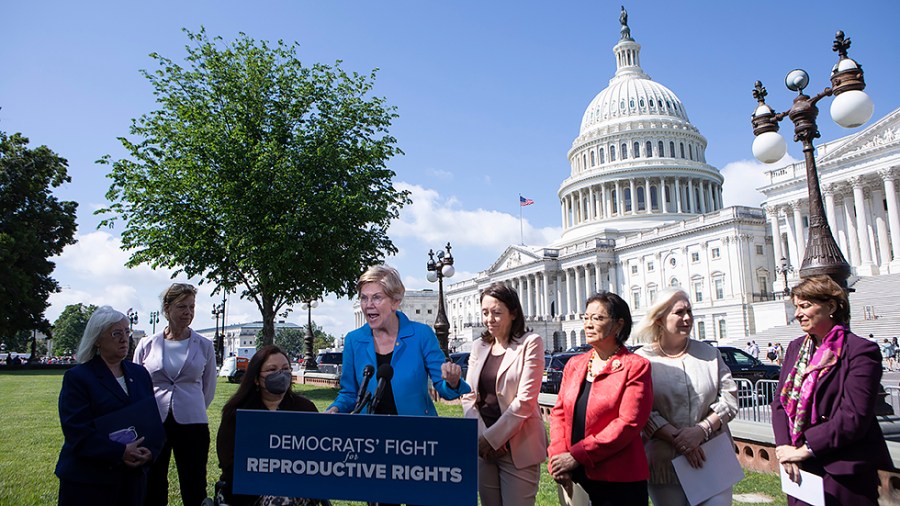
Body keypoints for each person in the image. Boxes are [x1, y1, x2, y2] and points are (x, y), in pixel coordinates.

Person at [772, 275, 891, 505]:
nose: (797, 314)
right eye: (796, 307)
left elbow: (853, 416)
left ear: (831, 306)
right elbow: (780, 403)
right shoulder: (796, 348)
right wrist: (785, 449)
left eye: (805, 306)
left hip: (843, 472)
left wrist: (806, 449)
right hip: (798, 469)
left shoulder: (860, 351)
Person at [634, 288, 738, 506]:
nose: (687, 318)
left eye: (689, 311)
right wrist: (681, 440)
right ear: (660, 319)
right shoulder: (642, 360)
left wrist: (702, 430)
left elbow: (729, 398)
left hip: (712, 457)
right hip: (664, 463)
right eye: (679, 312)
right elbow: (641, 408)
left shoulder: (710, 354)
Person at [548, 292, 652, 506]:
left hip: (619, 481)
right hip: (575, 474)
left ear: (618, 325)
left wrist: (577, 455)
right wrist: (558, 458)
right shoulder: (575, 364)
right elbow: (559, 414)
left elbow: (628, 423)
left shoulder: (636, 366)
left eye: (597, 318)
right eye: (586, 318)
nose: (588, 324)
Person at [326, 265, 471, 415]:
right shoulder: (353, 340)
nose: (368, 305)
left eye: (377, 297)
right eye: (364, 298)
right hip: (368, 435)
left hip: (415, 433)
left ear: (395, 302)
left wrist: (453, 382)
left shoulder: (421, 335)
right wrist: (335, 409)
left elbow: (444, 389)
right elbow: (349, 394)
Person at [56, 306, 161, 506]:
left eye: (126, 332)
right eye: (116, 333)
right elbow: (76, 431)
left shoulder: (140, 374)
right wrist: (120, 452)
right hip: (89, 483)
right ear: (97, 339)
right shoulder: (78, 378)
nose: (124, 339)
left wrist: (151, 452)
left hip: (131, 482)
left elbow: (151, 421)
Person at [460, 283, 547, 506]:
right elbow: (469, 396)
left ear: (513, 312)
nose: (490, 319)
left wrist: (493, 439)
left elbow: (525, 401)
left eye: (497, 313)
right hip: (482, 446)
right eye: (485, 313)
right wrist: (482, 438)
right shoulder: (478, 345)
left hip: (518, 446)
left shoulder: (530, 343)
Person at [134, 283, 217, 506]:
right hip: (154, 423)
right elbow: (137, 386)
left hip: (193, 422)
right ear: (167, 308)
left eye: (192, 307)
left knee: (194, 483)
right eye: (182, 307)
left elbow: (208, 387)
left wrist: (192, 406)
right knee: (153, 482)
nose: (188, 313)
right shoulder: (146, 344)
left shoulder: (204, 345)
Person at [217, 345, 323, 506]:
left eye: (285, 368)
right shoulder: (236, 412)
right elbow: (227, 461)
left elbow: (318, 456)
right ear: (256, 378)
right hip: (246, 492)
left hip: (296, 490)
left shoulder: (305, 409)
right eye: (272, 369)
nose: (280, 374)